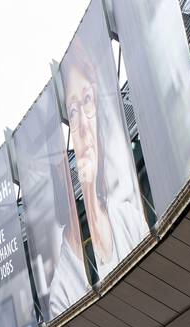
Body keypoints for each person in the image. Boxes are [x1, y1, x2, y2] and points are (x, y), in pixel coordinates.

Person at [60, 48, 147, 277]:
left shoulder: (130, 219)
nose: (84, 126)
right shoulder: (65, 281)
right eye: (72, 111)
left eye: (87, 100)